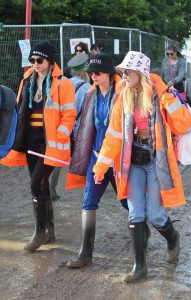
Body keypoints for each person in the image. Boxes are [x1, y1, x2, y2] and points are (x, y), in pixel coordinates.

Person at [93, 51, 191, 283]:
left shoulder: (160, 96)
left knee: (156, 215)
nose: (123, 75)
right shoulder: (123, 98)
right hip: (133, 163)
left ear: (140, 73)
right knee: (136, 213)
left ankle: (172, 238)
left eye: (127, 71)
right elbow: (114, 136)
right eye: (122, 71)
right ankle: (140, 267)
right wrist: (100, 167)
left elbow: (184, 125)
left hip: (156, 161)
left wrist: (169, 98)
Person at [1, 42, 76, 252]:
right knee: (40, 185)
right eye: (32, 60)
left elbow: (69, 115)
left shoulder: (64, 84)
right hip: (30, 140)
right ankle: (49, 230)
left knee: (36, 184)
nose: (35, 64)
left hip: (51, 142)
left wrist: (60, 134)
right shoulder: (26, 80)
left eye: (39, 60)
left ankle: (39, 232)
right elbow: (19, 109)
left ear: (50, 62)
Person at [62, 53, 128, 269]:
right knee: (88, 203)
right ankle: (85, 253)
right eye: (90, 73)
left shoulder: (123, 94)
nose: (93, 76)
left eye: (97, 73)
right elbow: (79, 121)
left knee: (127, 203)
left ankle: (144, 233)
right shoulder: (90, 94)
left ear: (110, 74)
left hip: (117, 160)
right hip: (96, 158)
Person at [49, 53, 91, 201]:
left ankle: (50, 190)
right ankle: (93, 186)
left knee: (56, 161)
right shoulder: (88, 88)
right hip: (77, 130)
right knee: (88, 157)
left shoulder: (62, 83)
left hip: (59, 128)